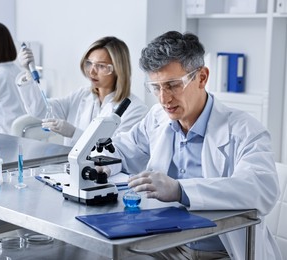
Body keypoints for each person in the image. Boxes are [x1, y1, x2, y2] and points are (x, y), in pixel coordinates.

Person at [105, 31, 281, 260]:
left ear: (202, 77)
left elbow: (261, 189)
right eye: (156, 87)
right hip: (166, 246)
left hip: (223, 252)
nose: (163, 99)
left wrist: (181, 190)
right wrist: (105, 164)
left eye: (173, 85)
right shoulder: (158, 117)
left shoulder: (245, 130)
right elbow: (124, 149)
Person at [16, 36, 148, 146]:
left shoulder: (135, 109)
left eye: (101, 66)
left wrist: (75, 133)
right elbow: (41, 110)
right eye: (89, 63)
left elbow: (116, 150)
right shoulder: (82, 95)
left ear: (118, 69)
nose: (92, 71)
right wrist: (28, 72)